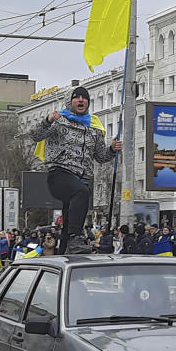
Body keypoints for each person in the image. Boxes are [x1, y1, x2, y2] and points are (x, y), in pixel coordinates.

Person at [29, 86, 122, 254]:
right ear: (69, 101)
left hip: (83, 177)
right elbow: (35, 135)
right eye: (76, 97)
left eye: (84, 97)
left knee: (72, 212)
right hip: (60, 173)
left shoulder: (94, 127)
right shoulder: (60, 120)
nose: (81, 100)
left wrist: (112, 149)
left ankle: (65, 252)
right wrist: (48, 120)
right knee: (81, 192)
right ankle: (75, 238)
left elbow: (101, 157)